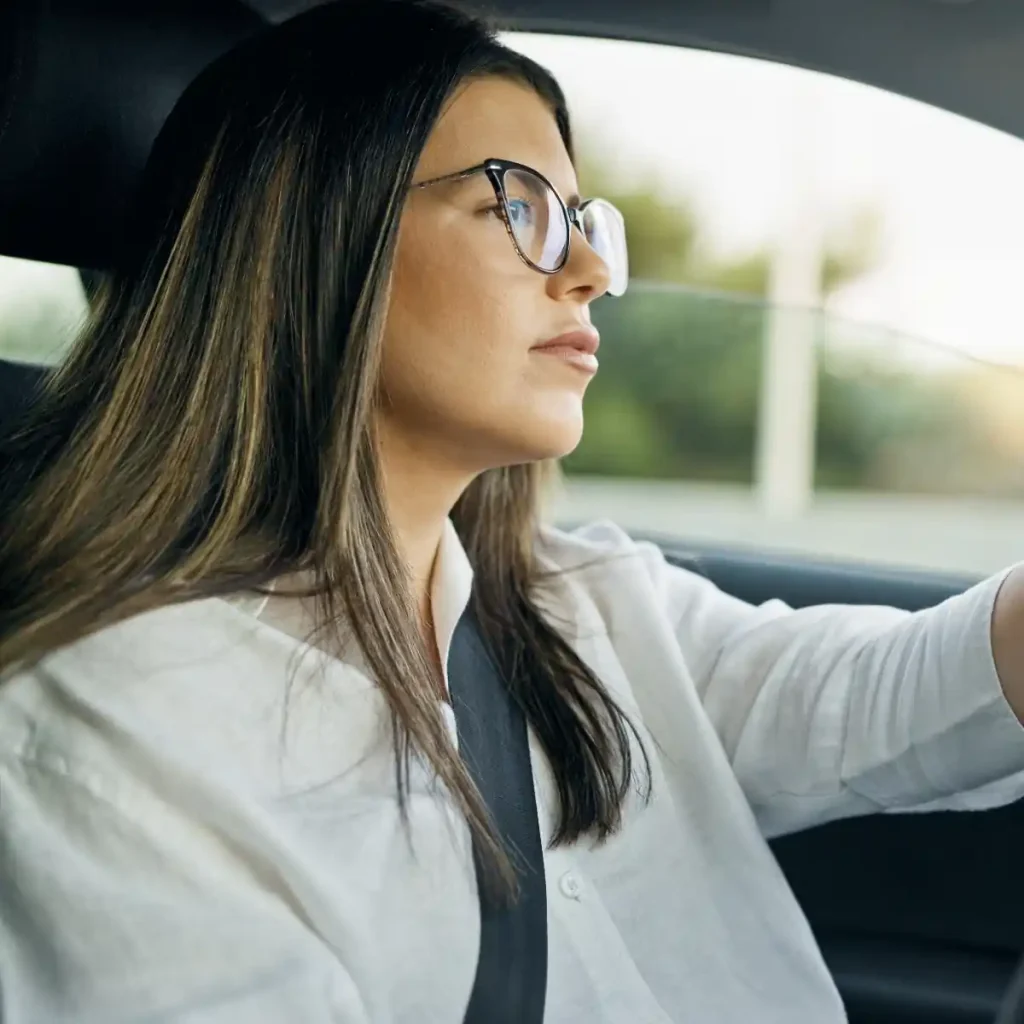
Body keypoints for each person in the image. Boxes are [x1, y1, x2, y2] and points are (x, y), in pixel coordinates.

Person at [1, 1, 1024, 1021]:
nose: (590, 276)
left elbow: (885, 698)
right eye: (519, 208)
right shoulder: (113, 731)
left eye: (585, 223)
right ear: (321, 230)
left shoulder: (578, 605)